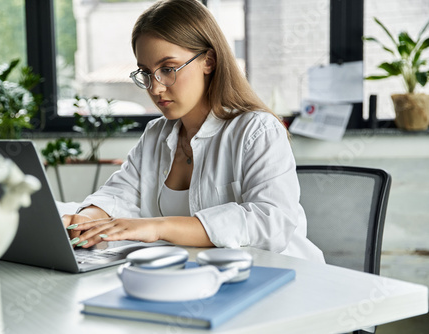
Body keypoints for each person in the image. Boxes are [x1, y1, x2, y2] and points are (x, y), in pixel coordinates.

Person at [62, 0, 324, 262]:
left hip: (284, 280)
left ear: (208, 61)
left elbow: (270, 223)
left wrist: (158, 227)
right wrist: (87, 220)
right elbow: (118, 195)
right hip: (203, 282)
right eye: (146, 73)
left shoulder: (257, 130)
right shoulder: (156, 134)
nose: (155, 88)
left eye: (167, 69)